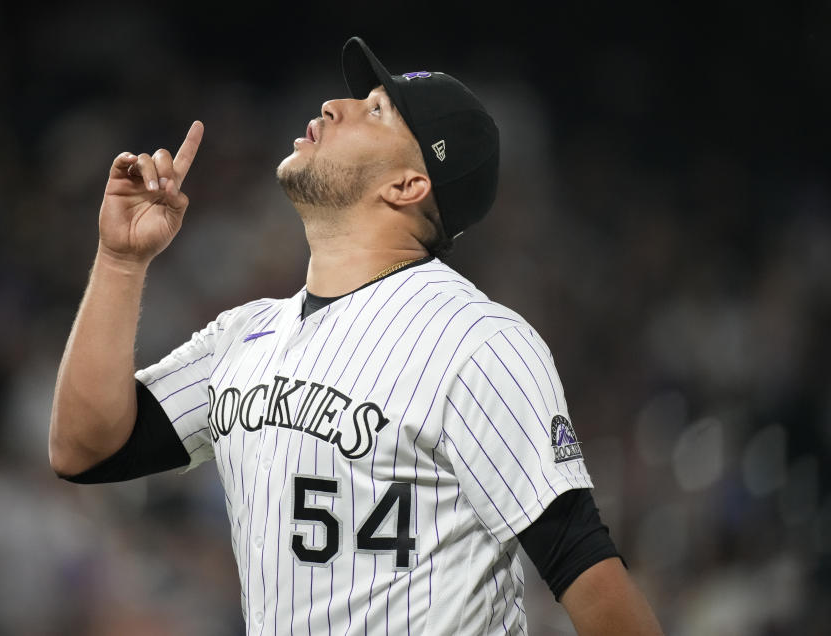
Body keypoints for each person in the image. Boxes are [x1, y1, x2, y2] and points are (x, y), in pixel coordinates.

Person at [49, 36, 664, 635]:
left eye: (377, 111)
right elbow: (85, 448)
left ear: (408, 185)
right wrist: (120, 261)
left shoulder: (477, 341)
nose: (332, 107)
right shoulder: (242, 336)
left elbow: (590, 577)